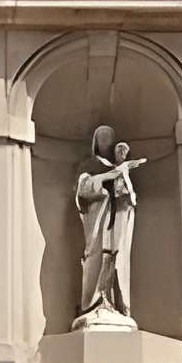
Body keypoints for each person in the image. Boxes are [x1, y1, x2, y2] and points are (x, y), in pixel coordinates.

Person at [75, 125, 142, 327]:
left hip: (115, 220)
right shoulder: (89, 164)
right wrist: (107, 177)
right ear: (95, 142)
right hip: (98, 220)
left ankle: (110, 302)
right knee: (97, 257)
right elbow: (83, 190)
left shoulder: (118, 167)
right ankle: (93, 304)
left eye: (109, 137)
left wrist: (121, 171)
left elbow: (128, 197)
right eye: (102, 137)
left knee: (113, 257)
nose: (105, 141)